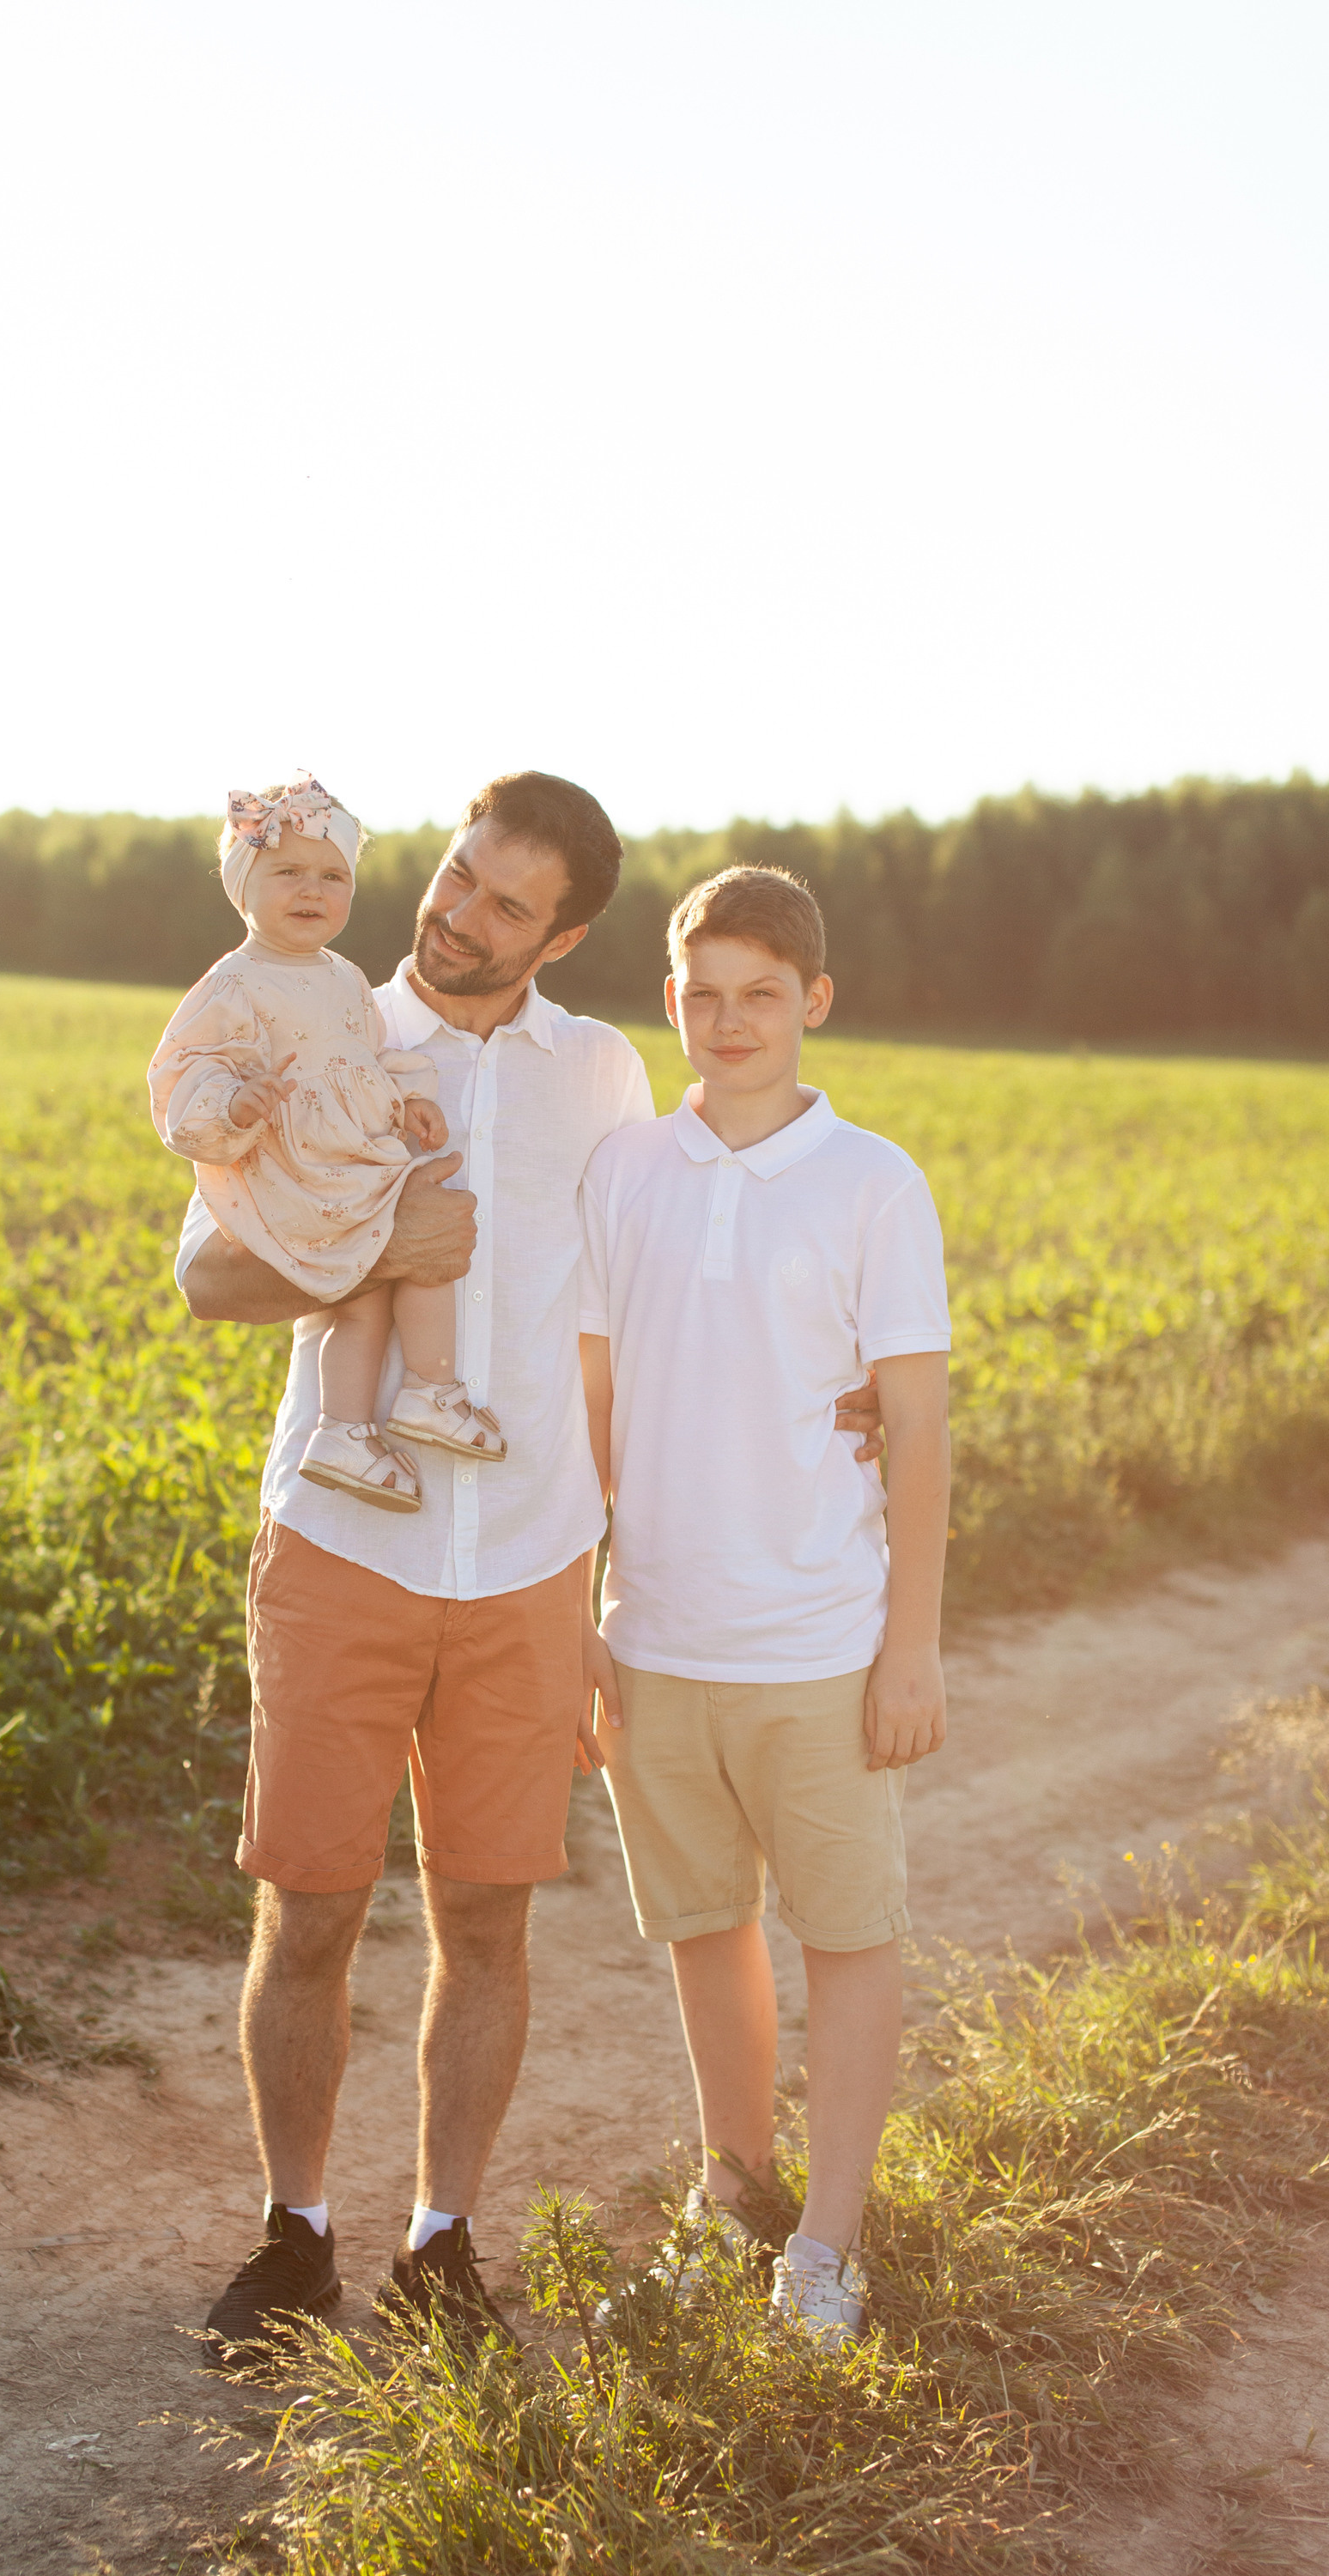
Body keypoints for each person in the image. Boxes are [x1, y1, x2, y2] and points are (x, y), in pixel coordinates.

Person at [172, 778, 883, 2367]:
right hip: (343, 1543)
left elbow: (695, 1258)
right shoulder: (321, 1029)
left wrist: (851, 1383)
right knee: (310, 1914)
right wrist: (370, 1250)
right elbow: (207, 1270)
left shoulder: (605, 1077)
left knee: (490, 1920)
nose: (458, 915)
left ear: (560, 936)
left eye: (506, 905)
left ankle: (443, 2243)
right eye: (454, 877)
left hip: (531, 1568)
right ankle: (295, 2236)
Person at [579, 863, 951, 2350]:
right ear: (671, 1002)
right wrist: (579, 1615)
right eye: (703, 996)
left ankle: (825, 2244)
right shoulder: (625, 1171)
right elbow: (591, 1403)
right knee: (704, 1929)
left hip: (820, 1637)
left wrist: (909, 1645)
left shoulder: (875, 1183)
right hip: (654, 1633)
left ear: (813, 1003)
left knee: (847, 1934)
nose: (730, 1023)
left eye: (761, 996)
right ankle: (733, 2197)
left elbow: (914, 1427)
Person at [147, 773, 504, 1514]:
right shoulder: (233, 984)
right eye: (287, 872)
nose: (312, 890)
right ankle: (394, 1408)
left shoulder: (344, 977)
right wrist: (236, 1104)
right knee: (393, 1258)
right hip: (297, 1165)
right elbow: (184, 1073)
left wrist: (411, 1098)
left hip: (355, 1153)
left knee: (397, 1263)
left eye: (333, 876)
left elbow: (366, 1057)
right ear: (243, 884)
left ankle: (382, 1414)